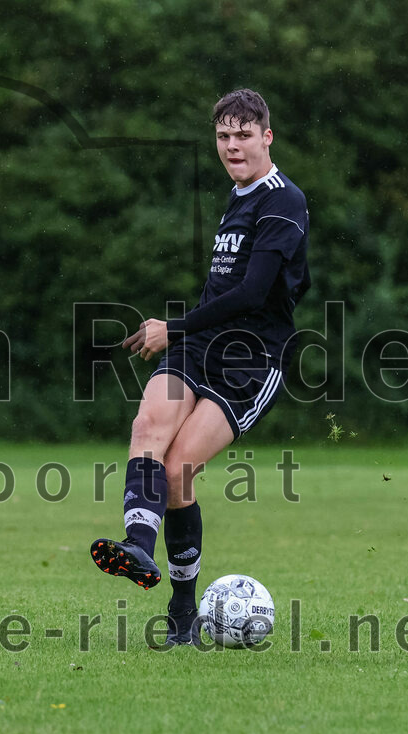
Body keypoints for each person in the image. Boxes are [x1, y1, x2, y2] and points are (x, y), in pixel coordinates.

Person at [90, 89, 310, 645]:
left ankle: (183, 611)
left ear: (267, 137)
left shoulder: (283, 201)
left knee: (178, 469)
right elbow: (224, 290)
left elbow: (254, 294)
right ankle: (139, 546)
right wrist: (186, 331)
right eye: (223, 136)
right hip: (201, 342)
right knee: (148, 428)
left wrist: (173, 327)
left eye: (243, 134)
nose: (232, 145)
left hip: (252, 358)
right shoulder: (237, 196)